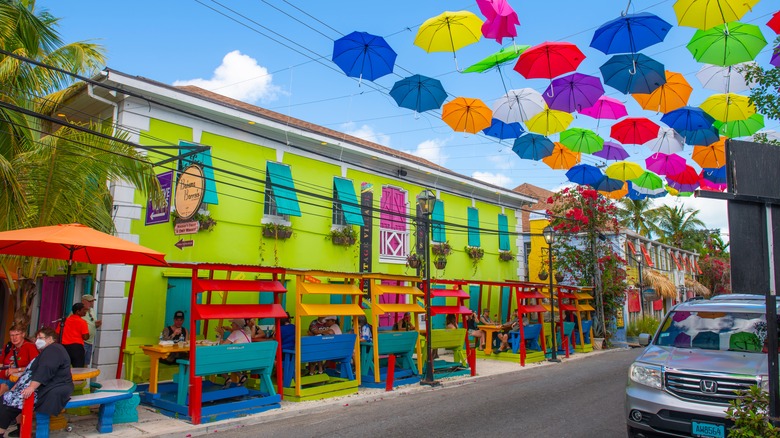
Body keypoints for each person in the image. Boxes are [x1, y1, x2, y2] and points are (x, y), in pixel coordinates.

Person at [0, 327, 73, 438]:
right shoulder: (47, 351)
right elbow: (29, 373)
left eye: (40, 338)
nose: (37, 340)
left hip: (48, 391)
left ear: (50, 339)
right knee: (4, 400)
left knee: (8, 405)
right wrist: (15, 388)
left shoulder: (54, 349)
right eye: (37, 338)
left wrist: (32, 387)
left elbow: (45, 369)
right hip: (40, 389)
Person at [0, 325, 38, 397]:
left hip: (17, 380)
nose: (14, 338)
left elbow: (34, 367)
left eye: (17, 334)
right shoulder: (8, 346)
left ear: (23, 334)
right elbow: (1, 363)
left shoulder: (30, 347)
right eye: (12, 335)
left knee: (3, 387)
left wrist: (16, 370)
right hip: (3, 377)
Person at [60, 303, 89, 368]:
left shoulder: (65, 321)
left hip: (64, 347)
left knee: (64, 368)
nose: (85, 312)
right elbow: (85, 337)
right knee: (78, 370)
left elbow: (58, 334)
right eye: (83, 310)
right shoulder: (82, 322)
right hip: (77, 348)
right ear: (78, 311)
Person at [80, 294, 102, 367]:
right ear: (83, 301)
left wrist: (96, 324)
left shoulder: (92, 310)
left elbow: (92, 323)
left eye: (92, 301)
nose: (92, 303)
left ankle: (83, 378)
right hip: (82, 341)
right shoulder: (78, 311)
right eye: (90, 301)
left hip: (90, 342)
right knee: (79, 364)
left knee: (85, 364)